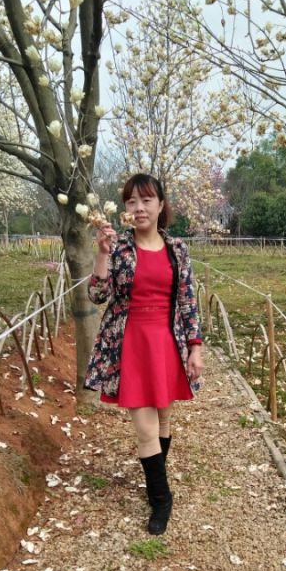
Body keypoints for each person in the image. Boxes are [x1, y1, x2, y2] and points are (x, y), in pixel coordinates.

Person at [84, 173, 203, 535]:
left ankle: (156, 479)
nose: (139, 208)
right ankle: (162, 499)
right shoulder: (119, 247)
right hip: (131, 343)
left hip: (166, 341)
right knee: (146, 427)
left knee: (163, 419)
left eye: (147, 200)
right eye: (131, 201)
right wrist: (102, 254)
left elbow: (187, 299)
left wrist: (195, 348)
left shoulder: (176, 248)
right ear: (125, 208)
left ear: (161, 205)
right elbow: (98, 296)